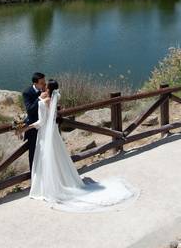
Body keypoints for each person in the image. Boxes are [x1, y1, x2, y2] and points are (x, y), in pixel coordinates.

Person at [27, 81, 137, 212]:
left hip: (45, 134)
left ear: (48, 88)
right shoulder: (52, 99)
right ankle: (60, 181)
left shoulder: (45, 100)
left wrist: (26, 127)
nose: (43, 86)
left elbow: (41, 121)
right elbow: (52, 116)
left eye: (46, 85)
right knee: (57, 156)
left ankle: (50, 186)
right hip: (53, 133)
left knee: (48, 158)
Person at [21, 72, 48, 169]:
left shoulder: (45, 89)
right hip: (33, 128)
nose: (44, 84)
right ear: (35, 83)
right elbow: (30, 110)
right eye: (42, 82)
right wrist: (39, 98)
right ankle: (34, 175)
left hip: (45, 126)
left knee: (45, 151)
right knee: (33, 153)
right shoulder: (27, 92)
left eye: (44, 81)